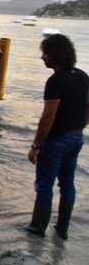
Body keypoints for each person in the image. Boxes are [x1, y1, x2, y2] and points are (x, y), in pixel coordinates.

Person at [25, 33, 89, 239]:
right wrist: (80, 126)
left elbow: (48, 117)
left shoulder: (55, 81)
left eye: (45, 53)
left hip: (56, 141)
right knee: (67, 183)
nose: (42, 57)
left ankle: (37, 227)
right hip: (76, 138)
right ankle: (62, 229)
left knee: (44, 185)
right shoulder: (82, 76)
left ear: (56, 55)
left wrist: (36, 146)